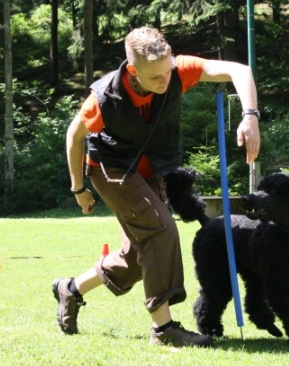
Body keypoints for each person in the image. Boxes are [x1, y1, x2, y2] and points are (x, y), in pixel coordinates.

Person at [53, 26, 260, 347]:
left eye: (167, 73)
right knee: (161, 231)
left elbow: (239, 70)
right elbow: (74, 136)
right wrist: (78, 187)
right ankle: (163, 330)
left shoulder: (177, 70)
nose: (165, 82)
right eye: (155, 78)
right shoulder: (104, 97)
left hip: (151, 171)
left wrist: (249, 115)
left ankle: (71, 289)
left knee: (138, 255)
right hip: (112, 170)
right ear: (133, 71)